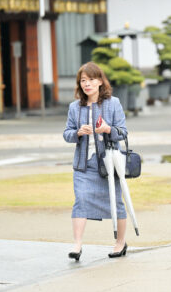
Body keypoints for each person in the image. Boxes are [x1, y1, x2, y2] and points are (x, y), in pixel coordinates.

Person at [63, 62, 129, 260]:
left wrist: (108, 129)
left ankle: (120, 242)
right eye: (83, 80)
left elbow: (123, 132)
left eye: (91, 79)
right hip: (83, 164)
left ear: (100, 81)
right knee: (80, 200)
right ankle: (77, 245)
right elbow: (66, 134)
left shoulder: (113, 103)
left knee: (116, 202)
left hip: (108, 164)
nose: (87, 84)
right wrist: (77, 133)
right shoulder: (74, 108)